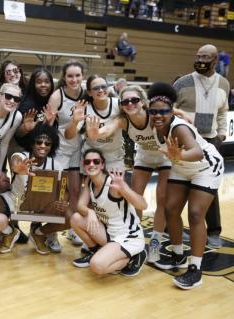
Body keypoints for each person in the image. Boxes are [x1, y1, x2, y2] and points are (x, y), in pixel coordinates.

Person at [148, 82, 224, 289]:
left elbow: (197, 152)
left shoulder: (179, 127)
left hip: (205, 166)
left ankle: (195, 269)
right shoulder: (155, 124)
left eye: (163, 111)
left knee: (196, 214)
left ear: (171, 111)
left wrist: (179, 155)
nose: (158, 115)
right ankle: (177, 254)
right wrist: (178, 159)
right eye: (154, 111)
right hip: (181, 166)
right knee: (171, 210)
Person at [85, 85, 171, 263]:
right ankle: (135, 241)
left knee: (162, 199)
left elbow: (176, 113)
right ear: (121, 104)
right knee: (134, 199)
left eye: (134, 100)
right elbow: (107, 129)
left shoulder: (154, 114)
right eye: (125, 101)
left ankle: (155, 245)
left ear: (143, 101)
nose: (130, 104)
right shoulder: (123, 120)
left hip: (165, 157)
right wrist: (95, 133)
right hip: (145, 157)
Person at [173, 44, 230, 249]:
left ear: (215, 60)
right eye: (198, 56)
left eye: (205, 56)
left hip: (212, 142)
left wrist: (222, 132)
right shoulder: (182, 82)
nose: (200, 60)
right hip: (185, 141)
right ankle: (188, 227)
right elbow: (170, 107)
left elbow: (223, 112)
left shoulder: (223, 83)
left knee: (209, 189)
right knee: (182, 186)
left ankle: (214, 231)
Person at [0, 124, 69, 254]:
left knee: (71, 216)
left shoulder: (55, 165)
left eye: (47, 143)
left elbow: (63, 189)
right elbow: (15, 161)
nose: (43, 146)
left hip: (41, 204)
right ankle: (10, 231)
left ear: (52, 146)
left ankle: (38, 233)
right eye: (39, 142)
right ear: (32, 143)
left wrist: (64, 201)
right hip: (16, 200)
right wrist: (18, 168)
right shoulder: (21, 156)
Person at [70, 149, 147, 276]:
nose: (92, 164)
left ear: (102, 165)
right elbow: (80, 205)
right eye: (87, 162)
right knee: (75, 219)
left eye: (96, 161)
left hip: (128, 237)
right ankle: (95, 252)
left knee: (97, 266)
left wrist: (124, 189)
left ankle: (134, 256)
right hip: (109, 232)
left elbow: (143, 205)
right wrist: (90, 212)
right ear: (84, 165)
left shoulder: (113, 184)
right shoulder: (89, 181)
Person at [47, 60, 85, 246]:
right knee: (59, 193)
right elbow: (47, 126)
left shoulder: (85, 94)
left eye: (77, 75)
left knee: (76, 191)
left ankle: (72, 228)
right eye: (70, 75)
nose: (74, 79)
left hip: (77, 148)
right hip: (60, 149)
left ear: (82, 76)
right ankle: (50, 232)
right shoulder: (57, 96)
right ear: (64, 77)